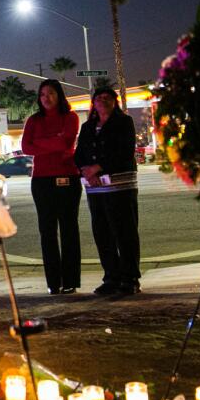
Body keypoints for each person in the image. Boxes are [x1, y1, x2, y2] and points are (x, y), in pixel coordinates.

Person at [74, 85, 140, 296]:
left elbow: (125, 151)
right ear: (93, 103)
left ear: (115, 102)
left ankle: (130, 278)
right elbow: (79, 153)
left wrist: (98, 167)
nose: (103, 100)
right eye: (99, 98)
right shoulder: (87, 127)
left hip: (120, 187)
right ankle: (111, 276)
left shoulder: (124, 122)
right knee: (102, 233)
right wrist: (85, 171)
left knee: (124, 232)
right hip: (96, 189)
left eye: (107, 97)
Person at [21, 79, 82, 294]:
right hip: (41, 180)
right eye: (43, 94)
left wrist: (41, 143)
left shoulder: (71, 117)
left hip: (67, 177)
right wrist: (54, 141)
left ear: (59, 95)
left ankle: (71, 281)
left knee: (69, 230)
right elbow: (25, 147)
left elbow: (66, 143)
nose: (46, 98)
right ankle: (53, 283)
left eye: (51, 93)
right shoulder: (33, 120)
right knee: (47, 232)